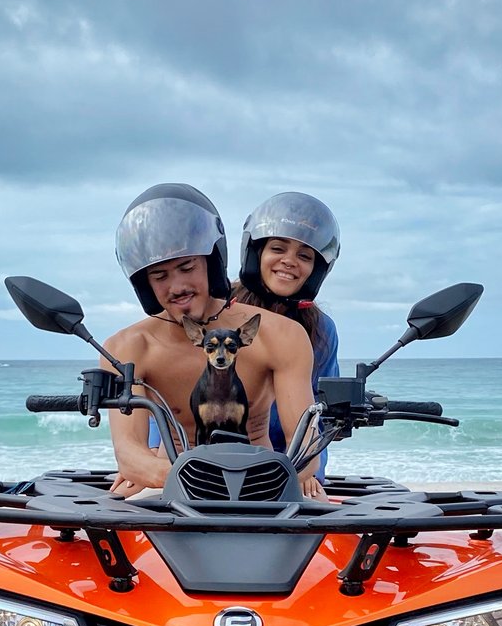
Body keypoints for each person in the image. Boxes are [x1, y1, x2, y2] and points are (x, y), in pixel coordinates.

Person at [105, 183, 325, 497]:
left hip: (261, 479)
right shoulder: (127, 348)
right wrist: (201, 482)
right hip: (168, 482)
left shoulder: (281, 334)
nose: (177, 285)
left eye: (186, 267)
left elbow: (305, 449)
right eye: (160, 276)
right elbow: (129, 455)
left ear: (211, 262)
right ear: (144, 284)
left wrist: (285, 476)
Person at [236, 193, 341, 463]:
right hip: (203, 458)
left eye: (304, 255)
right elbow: (170, 389)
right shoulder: (219, 310)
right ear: (256, 253)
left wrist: (308, 472)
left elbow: (319, 413)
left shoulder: (321, 329)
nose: (289, 261)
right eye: (278, 249)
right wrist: (154, 454)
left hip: (285, 466)